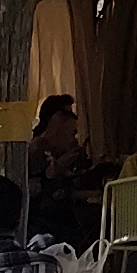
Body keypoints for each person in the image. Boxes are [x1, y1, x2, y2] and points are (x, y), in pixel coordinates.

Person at [25, 96, 99, 244]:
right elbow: (39, 196)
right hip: (45, 223)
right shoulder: (38, 149)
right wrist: (55, 171)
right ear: (57, 127)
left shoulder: (58, 151)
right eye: (72, 133)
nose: (74, 139)